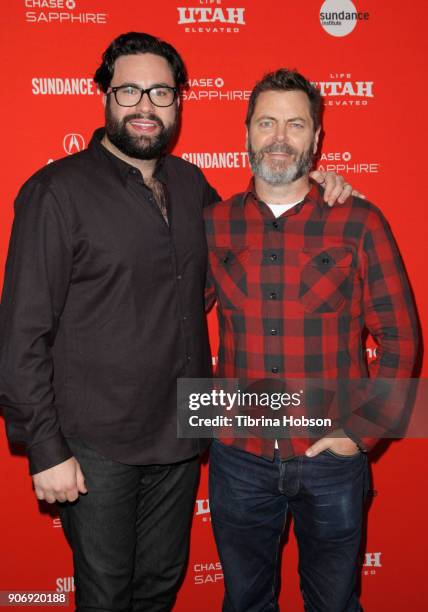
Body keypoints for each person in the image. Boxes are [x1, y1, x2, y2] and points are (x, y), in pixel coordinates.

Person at [0, 32, 354, 611]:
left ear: (179, 101)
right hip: (96, 448)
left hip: (183, 436)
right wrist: (45, 448)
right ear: (106, 96)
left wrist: (325, 189)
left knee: (161, 588)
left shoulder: (192, 188)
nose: (145, 105)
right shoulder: (55, 193)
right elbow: (20, 334)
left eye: (161, 91)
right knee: (108, 597)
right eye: (130, 90)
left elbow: (265, 229)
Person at [204, 69, 419, 612]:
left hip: (331, 459)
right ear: (247, 132)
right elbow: (165, 318)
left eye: (295, 124)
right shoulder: (212, 225)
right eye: (267, 122)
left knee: (334, 603)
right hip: (239, 455)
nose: (280, 137)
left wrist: (363, 431)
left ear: (317, 137)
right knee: (245, 601)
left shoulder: (358, 220)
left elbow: (402, 337)